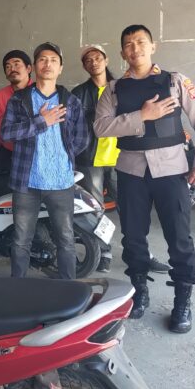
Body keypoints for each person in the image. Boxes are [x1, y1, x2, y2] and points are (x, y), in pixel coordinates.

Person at [94, 24, 195, 334]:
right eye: (128, 44)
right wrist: (142, 116)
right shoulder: (113, 89)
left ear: (152, 46)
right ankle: (139, 292)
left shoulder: (175, 81)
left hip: (171, 170)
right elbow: (101, 127)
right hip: (131, 171)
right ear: (122, 52)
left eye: (140, 42)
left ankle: (183, 301)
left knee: (179, 238)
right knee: (133, 237)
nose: (135, 48)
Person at [72, 44, 170, 275]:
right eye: (88, 60)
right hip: (91, 160)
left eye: (97, 58)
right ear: (84, 66)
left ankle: (141, 254)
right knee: (95, 211)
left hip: (123, 157)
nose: (93, 62)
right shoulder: (78, 93)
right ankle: (104, 252)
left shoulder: (123, 87)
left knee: (132, 210)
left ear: (106, 60)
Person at [0, 42, 89, 280]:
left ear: (60, 68)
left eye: (53, 60)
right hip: (26, 183)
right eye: (42, 59)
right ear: (34, 66)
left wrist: (63, 157)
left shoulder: (71, 101)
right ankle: (18, 289)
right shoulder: (19, 100)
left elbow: (82, 138)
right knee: (21, 240)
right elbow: (6, 133)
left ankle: (67, 289)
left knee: (66, 239)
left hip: (61, 182)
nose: (47, 64)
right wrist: (41, 122)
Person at [0, 49, 33, 175]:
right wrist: (10, 120)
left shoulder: (39, 92)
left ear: (28, 69)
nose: (12, 69)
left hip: (33, 149)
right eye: (8, 67)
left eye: (17, 64)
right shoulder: (0, 96)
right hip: (7, 148)